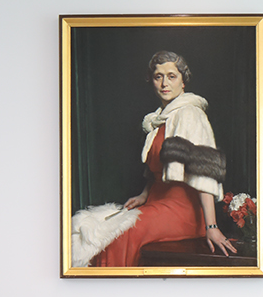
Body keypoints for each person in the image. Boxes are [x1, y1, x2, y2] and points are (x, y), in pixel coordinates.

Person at [89, 51, 238, 266]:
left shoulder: (190, 114)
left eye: (172, 76)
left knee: (120, 236)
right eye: (159, 76)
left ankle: (114, 293)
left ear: (183, 81)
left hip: (183, 210)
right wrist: (143, 194)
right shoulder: (158, 120)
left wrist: (211, 226)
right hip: (156, 202)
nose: (164, 83)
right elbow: (158, 169)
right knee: (100, 231)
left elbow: (206, 174)